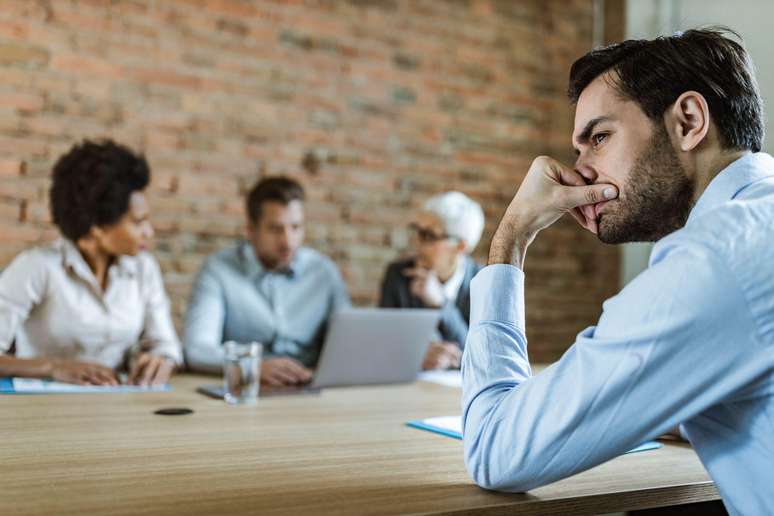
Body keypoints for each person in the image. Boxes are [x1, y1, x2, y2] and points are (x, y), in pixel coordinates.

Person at [461, 28, 774, 516]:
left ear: (688, 121)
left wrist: (512, 237)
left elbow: (493, 449)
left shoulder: (714, 259)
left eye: (599, 138)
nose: (581, 170)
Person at [0, 140, 182, 386]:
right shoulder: (37, 267)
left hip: (114, 404)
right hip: (39, 406)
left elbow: (166, 345)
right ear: (95, 229)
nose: (148, 232)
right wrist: (52, 367)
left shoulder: (143, 268)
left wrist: (160, 360)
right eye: (138, 223)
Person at [184, 176, 350, 386]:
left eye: (296, 227)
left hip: (311, 386)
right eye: (275, 229)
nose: (288, 242)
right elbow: (197, 349)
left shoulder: (323, 272)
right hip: (247, 388)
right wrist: (251, 365)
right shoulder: (218, 270)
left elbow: (348, 342)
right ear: (250, 230)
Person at [380, 191, 484, 370]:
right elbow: (383, 344)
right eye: (417, 231)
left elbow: (484, 355)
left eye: (428, 235)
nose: (417, 242)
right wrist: (415, 356)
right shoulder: (399, 275)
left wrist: (441, 304)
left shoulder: (484, 282)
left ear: (460, 247)